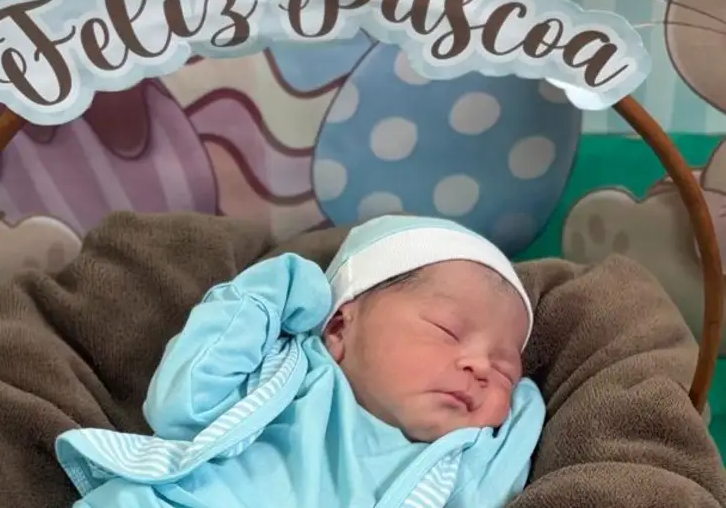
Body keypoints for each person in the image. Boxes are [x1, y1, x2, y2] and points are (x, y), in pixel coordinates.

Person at [55, 215, 546, 508]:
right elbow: (180, 405)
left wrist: (522, 408)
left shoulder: (455, 460)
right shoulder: (285, 373)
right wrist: (267, 294)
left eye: (505, 368)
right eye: (447, 330)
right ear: (339, 327)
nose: (481, 368)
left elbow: (494, 489)